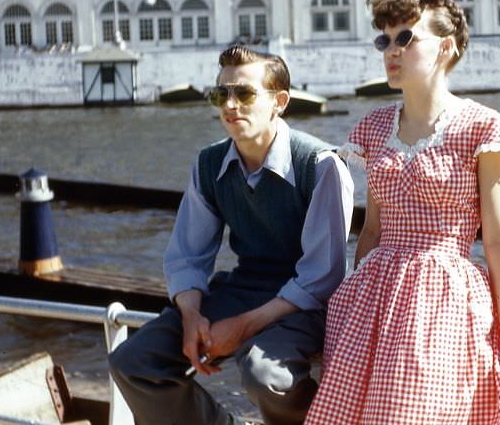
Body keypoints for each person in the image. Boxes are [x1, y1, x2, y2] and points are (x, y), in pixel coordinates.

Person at [305, 0, 500, 424]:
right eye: (384, 39)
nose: (391, 50)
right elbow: (371, 232)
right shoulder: (374, 126)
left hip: (443, 297)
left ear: (446, 47)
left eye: (406, 37)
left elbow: (498, 242)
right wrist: (350, 315)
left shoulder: (483, 128)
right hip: (372, 299)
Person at [108, 45, 354, 425]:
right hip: (244, 288)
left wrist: (240, 327)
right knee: (134, 360)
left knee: (265, 377)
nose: (230, 104)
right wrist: (191, 316)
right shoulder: (208, 164)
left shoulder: (321, 166)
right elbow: (187, 256)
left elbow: (322, 276)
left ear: (280, 102)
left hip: (308, 303)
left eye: (244, 93)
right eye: (221, 93)